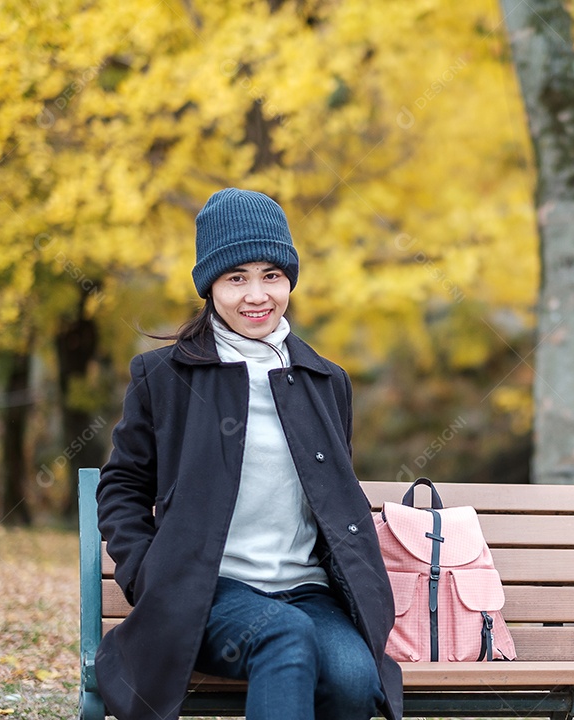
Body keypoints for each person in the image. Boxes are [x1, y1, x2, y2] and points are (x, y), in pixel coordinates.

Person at [95, 188, 402, 720]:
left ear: (289, 281)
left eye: (271, 275)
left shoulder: (326, 380)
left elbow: (331, 496)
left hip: (307, 590)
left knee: (355, 680)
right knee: (284, 636)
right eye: (236, 278)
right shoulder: (164, 377)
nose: (257, 295)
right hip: (207, 589)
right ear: (210, 286)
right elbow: (122, 486)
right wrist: (149, 575)